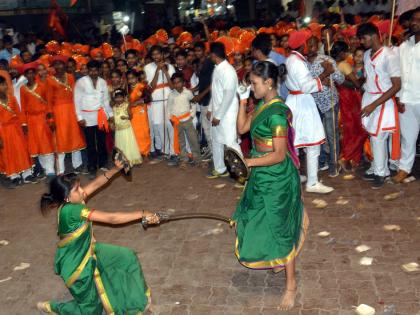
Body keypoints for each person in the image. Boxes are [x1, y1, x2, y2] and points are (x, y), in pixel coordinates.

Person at [36, 161, 159, 314]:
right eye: (77, 189)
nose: (82, 191)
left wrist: (116, 169)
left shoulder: (73, 200)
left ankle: (138, 301)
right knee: (91, 309)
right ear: (67, 198)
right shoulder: (73, 211)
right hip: (76, 265)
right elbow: (112, 219)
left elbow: (95, 185)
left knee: (127, 257)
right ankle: (53, 308)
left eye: (80, 186)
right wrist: (143, 213)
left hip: (89, 250)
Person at [234, 61, 308, 311]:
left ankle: (291, 286)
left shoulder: (277, 113)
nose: (251, 87)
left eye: (254, 83)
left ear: (268, 83)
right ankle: (276, 257)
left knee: (281, 229)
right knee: (254, 217)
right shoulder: (262, 104)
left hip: (277, 177)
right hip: (260, 174)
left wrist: (250, 162)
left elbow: (278, 155)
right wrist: (243, 100)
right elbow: (242, 128)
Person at [285, 30, 335, 194]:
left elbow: (305, 83)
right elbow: (306, 86)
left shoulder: (293, 59)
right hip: (302, 103)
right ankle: (312, 183)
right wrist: (325, 74)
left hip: (297, 102)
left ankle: (294, 176)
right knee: (312, 142)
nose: (311, 45)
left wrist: (321, 79)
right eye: (308, 41)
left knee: (296, 142)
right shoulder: (297, 62)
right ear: (302, 44)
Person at [357, 23, 401, 189]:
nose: (362, 42)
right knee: (373, 136)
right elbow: (368, 77)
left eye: (363, 38)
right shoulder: (368, 54)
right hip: (370, 97)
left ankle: (381, 173)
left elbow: (397, 85)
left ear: (374, 36)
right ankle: (377, 167)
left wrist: (374, 104)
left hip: (383, 99)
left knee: (378, 137)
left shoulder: (389, 56)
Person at [307, 36, 345, 177]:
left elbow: (340, 79)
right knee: (317, 134)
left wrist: (331, 71)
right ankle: (322, 161)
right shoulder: (302, 63)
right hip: (312, 104)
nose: (309, 48)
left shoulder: (326, 60)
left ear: (317, 46)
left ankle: (334, 164)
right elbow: (304, 83)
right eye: (307, 45)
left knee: (331, 134)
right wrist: (323, 79)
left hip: (329, 102)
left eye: (312, 45)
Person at [206, 42, 242, 179]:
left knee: (230, 142)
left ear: (214, 55)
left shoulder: (228, 71)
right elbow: (216, 92)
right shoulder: (218, 68)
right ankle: (220, 169)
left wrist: (219, 115)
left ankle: (242, 173)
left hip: (226, 114)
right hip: (217, 111)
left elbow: (228, 96)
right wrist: (210, 108)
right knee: (216, 140)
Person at [393, 7, 420, 183]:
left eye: (419, 19)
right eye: (413, 20)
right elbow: (399, 71)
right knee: (407, 136)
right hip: (407, 98)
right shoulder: (403, 45)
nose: (415, 23)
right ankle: (404, 168)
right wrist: (398, 97)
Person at [331, 41, 367, 172]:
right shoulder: (344, 65)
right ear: (343, 53)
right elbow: (357, 84)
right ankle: (346, 157)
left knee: (350, 131)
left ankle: (351, 158)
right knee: (359, 130)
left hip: (344, 99)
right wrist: (364, 78)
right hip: (350, 99)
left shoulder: (333, 63)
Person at [46, 56, 86, 175]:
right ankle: (61, 169)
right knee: (61, 139)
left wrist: (79, 112)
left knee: (75, 136)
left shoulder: (70, 77)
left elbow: (76, 95)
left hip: (72, 110)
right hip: (58, 112)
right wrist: (51, 119)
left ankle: (77, 165)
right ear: (53, 67)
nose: (59, 66)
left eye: (61, 64)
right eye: (56, 64)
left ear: (65, 65)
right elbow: (48, 101)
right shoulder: (49, 80)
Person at [74, 60, 112, 179]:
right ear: (87, 71)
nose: (93, 72)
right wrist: (79, 117)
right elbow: (77, 101)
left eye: (96, 70)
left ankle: (103, 163)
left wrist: (110, 115)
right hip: (86, 117)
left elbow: (106, 100)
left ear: (99, 70)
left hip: (101, 116)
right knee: (90, 144)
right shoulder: (81, 82)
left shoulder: (103, 82)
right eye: (91, 70)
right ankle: (92, 167)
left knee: (101, 141)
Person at [0, 75, 37, 188]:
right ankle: (14, 176)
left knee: (21, 149)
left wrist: (23, 125)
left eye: (5, 84)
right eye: (2, 85)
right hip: (3, 131)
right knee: (8, 152)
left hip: (16, 129)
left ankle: (26, 174)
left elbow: (19, 113)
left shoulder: (12, 97)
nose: (5, 86)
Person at [20, 62, 56, 178]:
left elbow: (49, 102)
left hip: (43, 118)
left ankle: (50, 169)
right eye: (28, 73)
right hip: (31, 120)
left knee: (46, 143)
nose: (30, 75)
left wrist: (50, 119)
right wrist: (24, 123)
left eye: (32, 73)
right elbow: (23, 107)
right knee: (36, 145)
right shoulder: (22, 89)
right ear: (25, 75)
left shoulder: (43, 85)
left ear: (35, 73)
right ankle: (44, 168)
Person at [144, 45, 176, 159]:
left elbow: (173, 86)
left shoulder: (170, 66)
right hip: (156, 100)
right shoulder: (148, 67)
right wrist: (157, 70)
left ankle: (173, 151)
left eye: (158, 54)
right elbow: (151, 87)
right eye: (153, 55)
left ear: (163, 54)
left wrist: (165, 71)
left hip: (169, 98)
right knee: (158, 125)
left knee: (170, 124)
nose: (155, 56)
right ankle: (164, 150)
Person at [167, 72, 201, 166]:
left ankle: (197, 159)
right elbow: (169, 108)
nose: (177, 84)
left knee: (193, 139)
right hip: (176, 121)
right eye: (175, 83)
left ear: (183, 83)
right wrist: (170, 118)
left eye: (179, 82)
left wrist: (191, 115)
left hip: (187, 119)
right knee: (181, 141)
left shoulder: (188, 93)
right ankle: (184, 158)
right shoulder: (171, 95)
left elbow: (193, 103)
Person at [112, 88, 143, 166]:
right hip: (118, 130)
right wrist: (112, 124)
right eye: (117, 97)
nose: (118, 99)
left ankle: (130, 160)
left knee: (128, 144)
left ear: (124, 97)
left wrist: (125, 118)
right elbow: (113, 117)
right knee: (120, 145)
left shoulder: (126, 105)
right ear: (114, 98)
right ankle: (122, 160)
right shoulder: (114, 107)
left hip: (126, 129)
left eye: (120, 97)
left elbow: (130, 116)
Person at [127, 70, 151, 158]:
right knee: (134, 131)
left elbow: (148, 98)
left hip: (141, 111)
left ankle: (145, 151)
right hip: (132, 112)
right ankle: (136, 151)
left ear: (137, 78)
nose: (131, 81)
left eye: (132, 78)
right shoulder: (127, 88)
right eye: (129, 79)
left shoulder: (142, 86)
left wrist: (138, 102)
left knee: (143, 130)